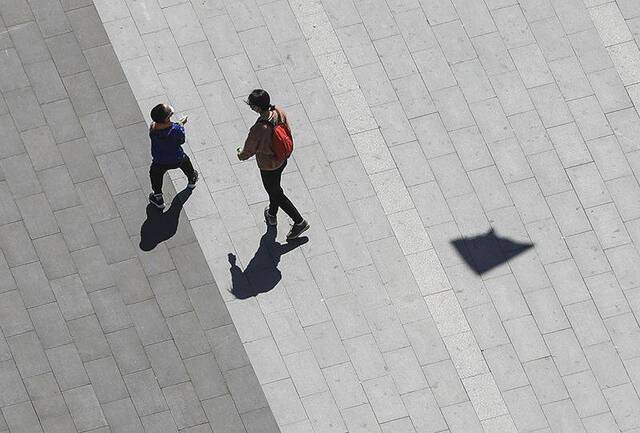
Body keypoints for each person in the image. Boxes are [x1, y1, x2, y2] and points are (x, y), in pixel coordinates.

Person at [237, 89, 309, 240]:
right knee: (274, 189)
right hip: (281, 158)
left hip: (268, 165)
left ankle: (299, 222)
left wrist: (240, 154)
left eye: (252, 105)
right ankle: (272, 214)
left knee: (276, 192)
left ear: (256, 108)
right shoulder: (278, 112)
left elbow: (248, 151)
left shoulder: (259, 128)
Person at [148, 103, 198, 209]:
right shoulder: (177, 129)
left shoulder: (153, 128)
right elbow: (181, 140)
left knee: (155, 175)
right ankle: (192, 179)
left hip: (159, 160)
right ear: (167, 118)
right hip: (177, 158)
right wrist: (180, 124)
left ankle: (158, 198)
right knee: (186, 163)